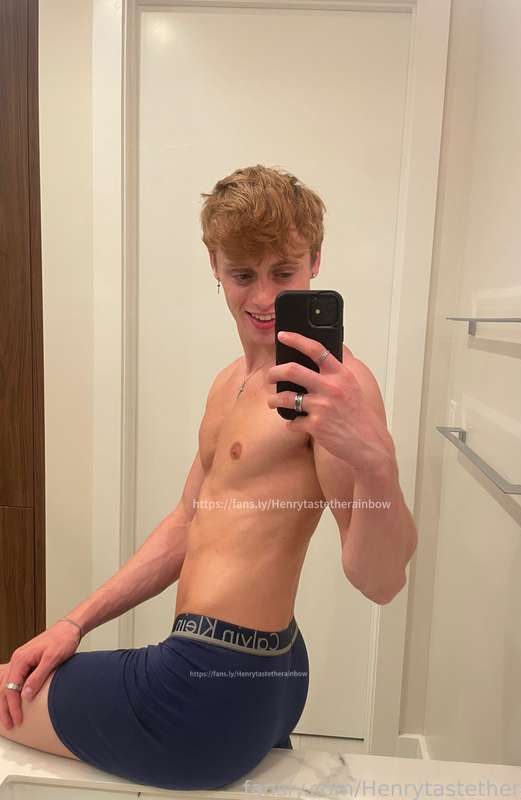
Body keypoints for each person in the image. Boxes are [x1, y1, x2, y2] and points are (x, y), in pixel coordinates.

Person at [0, 164, 417, 791]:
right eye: (243, 275)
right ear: (215, 266)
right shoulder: (231, 382)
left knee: (5, 691)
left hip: (215, 686)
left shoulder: (333, 389)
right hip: (264, 665)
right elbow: (186, 524)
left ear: (316, 261)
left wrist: (379, 463)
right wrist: (73, 622)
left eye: (284, 273)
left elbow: (379, 580)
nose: (263, 298)